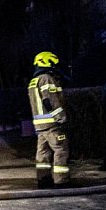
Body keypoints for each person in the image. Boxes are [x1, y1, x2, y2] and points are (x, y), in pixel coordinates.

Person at [28, 51, 70, 188]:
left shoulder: (33, 81)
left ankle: (43, 180)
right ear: (48, 62)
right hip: (52, 124)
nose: (55, 66)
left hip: (40, 125)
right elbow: (50, 101)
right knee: (61, 150)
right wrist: (61, 117)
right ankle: (61, 181)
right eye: (53, 63)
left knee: (43, 154)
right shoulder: (46, 78)